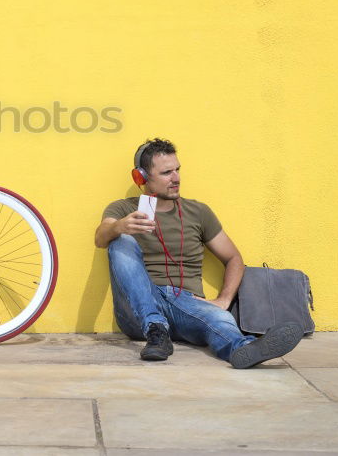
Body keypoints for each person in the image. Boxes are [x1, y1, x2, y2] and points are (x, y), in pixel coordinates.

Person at [95, 138, 303, 368]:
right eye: (166, 173)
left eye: (177, 170)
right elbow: (100, 238)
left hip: (184, 303)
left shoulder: (198, 212)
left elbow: (234, 258)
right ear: (141, 177)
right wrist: (119, 227)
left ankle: (243, 349)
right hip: (138, 307)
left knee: (220, 318)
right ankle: (155, 327)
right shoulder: (123, 209)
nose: (176, 178)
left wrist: (224, 299)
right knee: (119, 241)